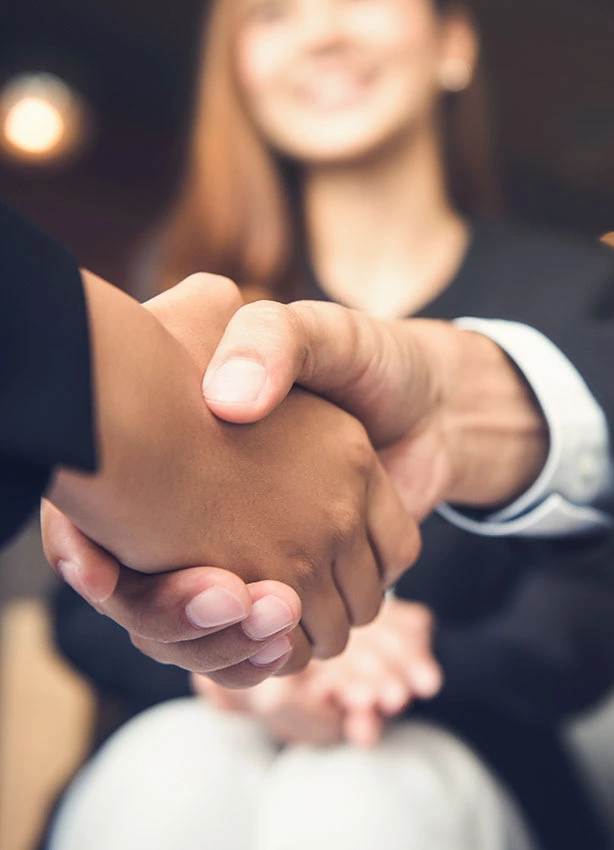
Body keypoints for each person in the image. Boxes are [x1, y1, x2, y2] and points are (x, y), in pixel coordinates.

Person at [46, 1, 614, 847]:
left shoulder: (571, 291)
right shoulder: (183, 288)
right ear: (241, 73)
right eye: (273, 13)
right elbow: (78, 606)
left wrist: (396, 658)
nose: (321, 31)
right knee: (173, 766)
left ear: (453, 41)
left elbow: (586, 628)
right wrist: (239, 674)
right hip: (214, 741)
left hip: (462, 757)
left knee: (362, 795)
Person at [0, 199, 420, 688]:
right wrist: (221, 678)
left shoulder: (527, 290)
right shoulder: (166, 260)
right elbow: (79, 610)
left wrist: (391, 670)